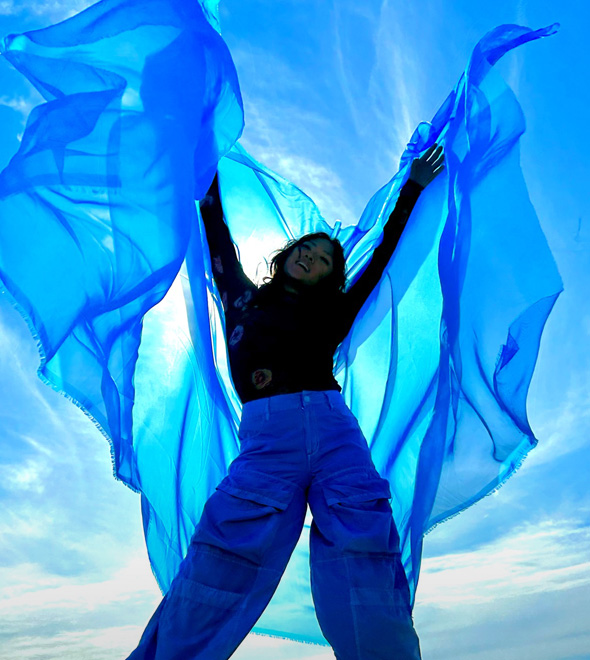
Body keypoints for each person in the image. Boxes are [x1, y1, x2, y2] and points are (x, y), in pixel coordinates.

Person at [127, 144, 444, 660]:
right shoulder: (240, 297)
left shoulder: (334, 312)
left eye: (323, 259)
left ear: (329, 277)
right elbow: (217, 235)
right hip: (269, 442)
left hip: (336, 433)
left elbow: (384, 251)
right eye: (307, 249)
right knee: (223, 553)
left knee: (364, 548)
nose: (312, 257)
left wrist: (411, 189)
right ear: (287, 254)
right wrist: (202, 160)